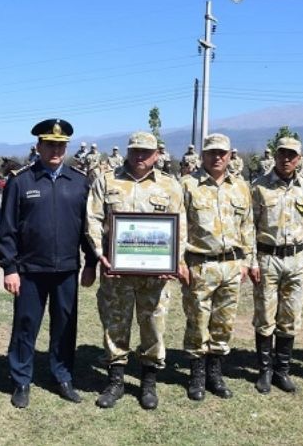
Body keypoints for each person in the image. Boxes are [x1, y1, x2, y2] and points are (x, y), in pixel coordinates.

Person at [0, 119, 98, 408]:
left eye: (60, 145)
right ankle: (21, 380)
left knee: (65, 326)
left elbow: (87, 229)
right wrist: (10, 268)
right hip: (30, 270)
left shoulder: (79, 182)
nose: (55, 150)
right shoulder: (21, 181)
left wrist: (90, 263)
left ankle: (62, 376)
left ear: (66, 148)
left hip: (67, 269)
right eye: (49, 144)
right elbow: (7, 230)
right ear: (38, 146)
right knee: (25, 326)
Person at [86, 131, 188, 410]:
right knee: (115, 326)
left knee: (153, 327)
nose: (140, 156)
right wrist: (100, 254)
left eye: (146, 151)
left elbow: (180, 228)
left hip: (155, 276)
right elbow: (93, 220)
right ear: (128, 152)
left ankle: (148, 383)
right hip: (116, 273)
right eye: (135, 150)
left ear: (157, 154)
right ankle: (116, 382)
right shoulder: (107, 181)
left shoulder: (170, 186)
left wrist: (174, 261)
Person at [180, 133, 254, 401]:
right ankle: (197, 375)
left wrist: (247, 261)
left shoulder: (241, 187)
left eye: (222, 152)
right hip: (200, 264)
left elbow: (248, 226)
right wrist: (180, 262)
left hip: (232, 265)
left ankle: (215, 374)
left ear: (230, 155)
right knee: (198, 321)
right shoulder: (187, 185)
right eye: (212, 152)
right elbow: (180, 227)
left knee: (224, 323)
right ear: (203, 155)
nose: (217, 157)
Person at [249, 137, 303, 394]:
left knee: (290, 316)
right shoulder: (259, 187)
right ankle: (265, 371)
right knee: (265, 316)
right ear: (275, 156)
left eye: (292, 155)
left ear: (299, 158)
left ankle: (282, 371)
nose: (286, 159)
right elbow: (249, 227)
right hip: (268, 258)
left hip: (297, 259)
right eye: (282, 154)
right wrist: (252, 260)